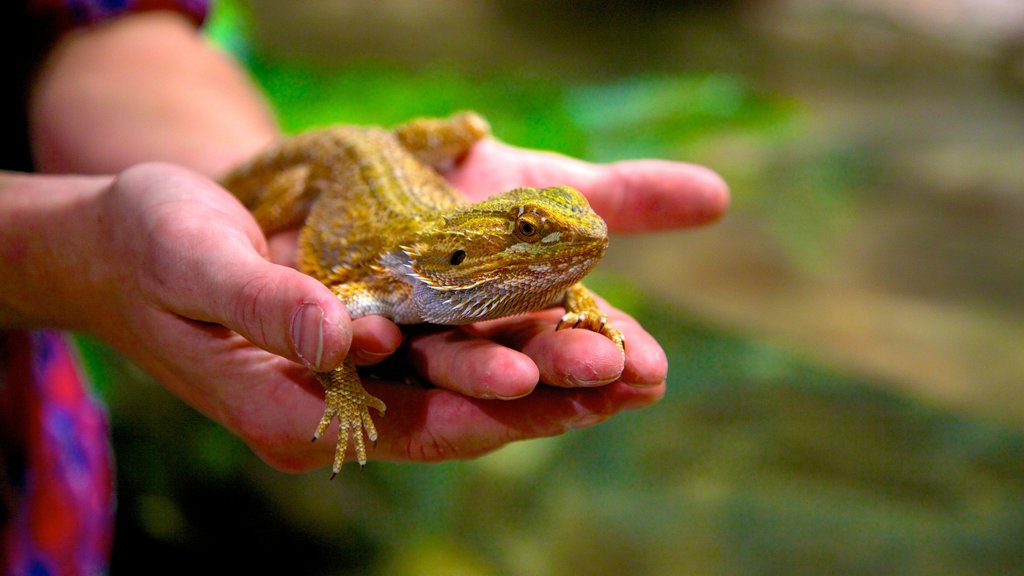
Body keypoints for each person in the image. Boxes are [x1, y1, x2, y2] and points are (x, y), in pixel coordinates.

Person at [0, 2, 729, 573]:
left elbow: (104, 22)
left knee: (466, 134)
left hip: (46, 500)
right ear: (463, 249)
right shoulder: (393, 278)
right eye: (530, 231)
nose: (575, 243)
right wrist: (342, 387)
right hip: (332, 177)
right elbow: (335, 318)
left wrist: (579, 298)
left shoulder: (511, 276)